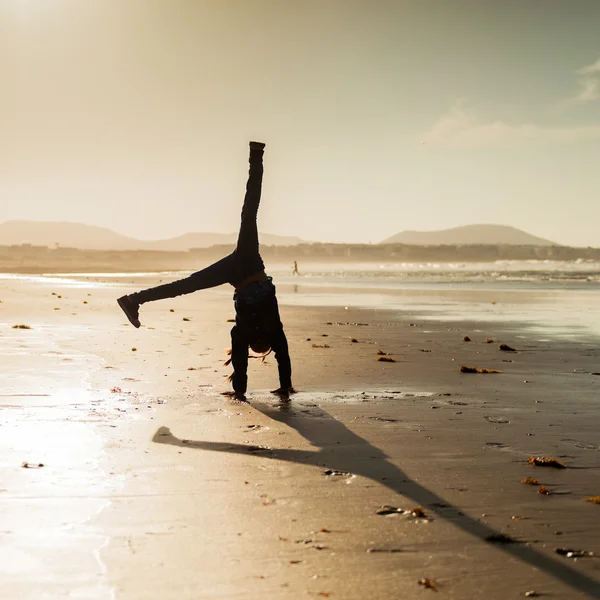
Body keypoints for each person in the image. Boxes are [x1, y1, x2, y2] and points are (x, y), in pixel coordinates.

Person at [117, 142, 294, 400]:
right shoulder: (245, 334)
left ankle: (134, 300)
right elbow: (243, 359)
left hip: (248, 266)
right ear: (259, 347)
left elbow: (282, 357)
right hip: (240, 272)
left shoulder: (274, 331)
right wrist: (247, 390)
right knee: (187, 283)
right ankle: (133, 299)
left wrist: (284, 385)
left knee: (249, 213)